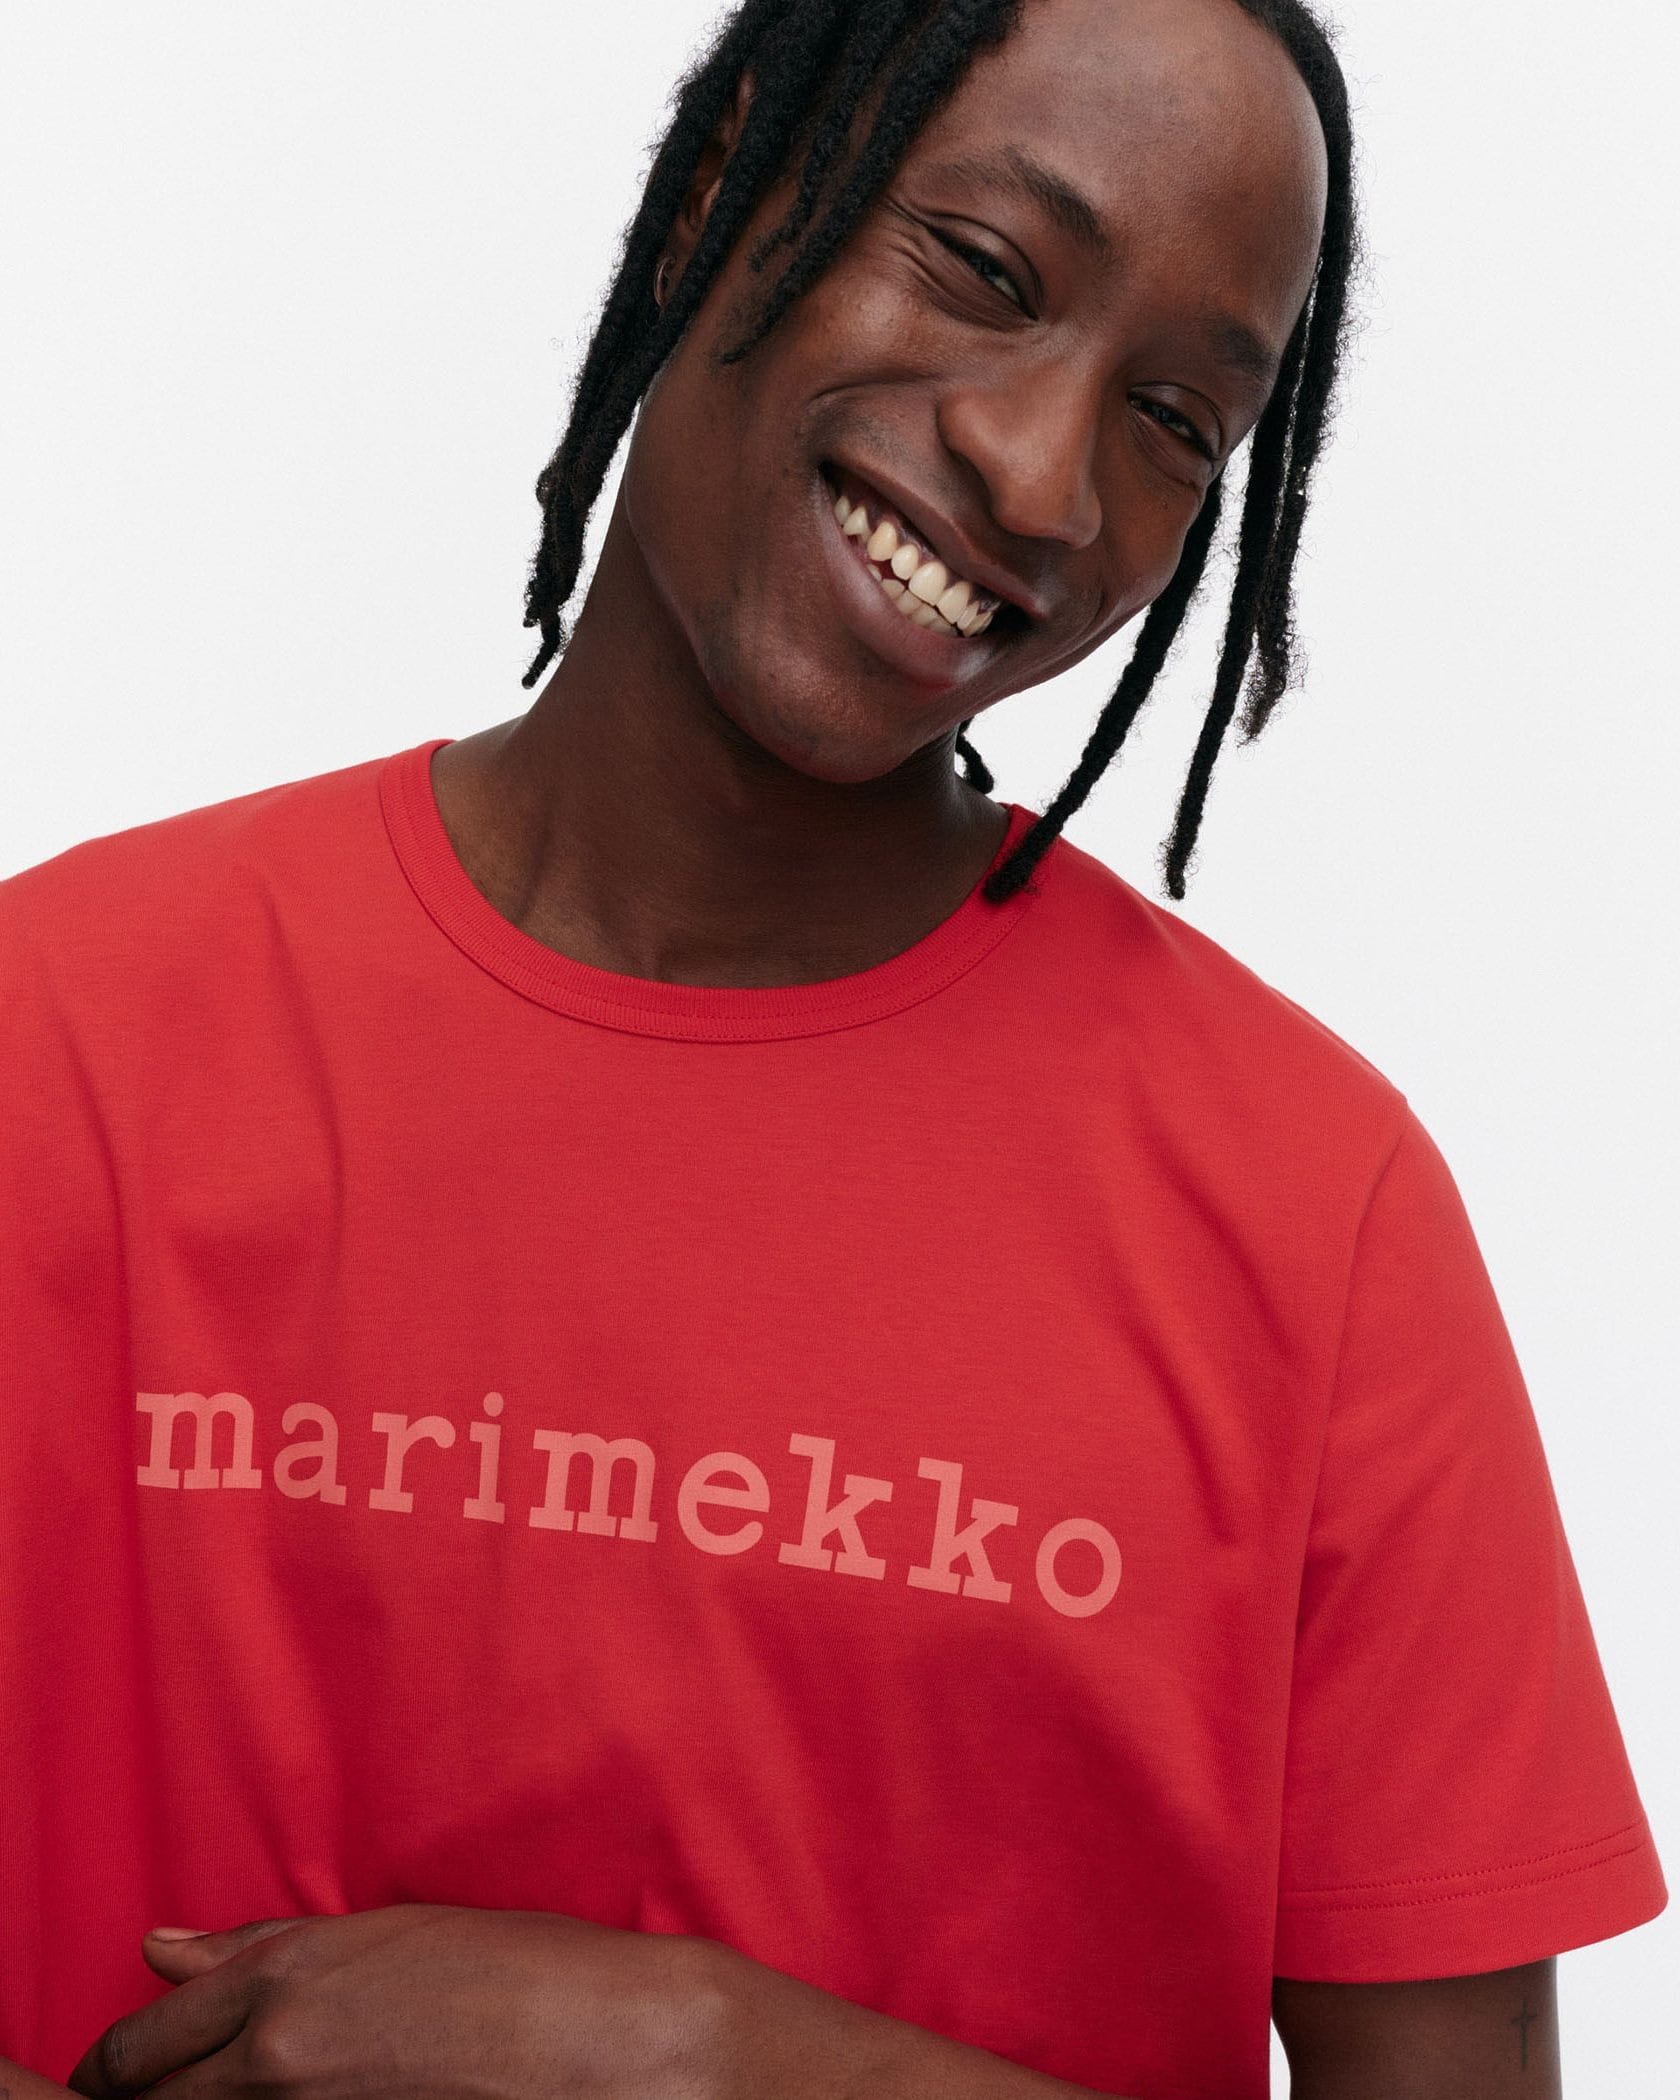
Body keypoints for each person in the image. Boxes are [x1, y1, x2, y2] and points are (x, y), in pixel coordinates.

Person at [0, 0, 1665, 2094]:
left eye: (1174, 419)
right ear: (722, 191)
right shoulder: (56, 1038)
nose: (1042, 477)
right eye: (985, 269)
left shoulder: (1316, 1222)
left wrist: (720, 2060)